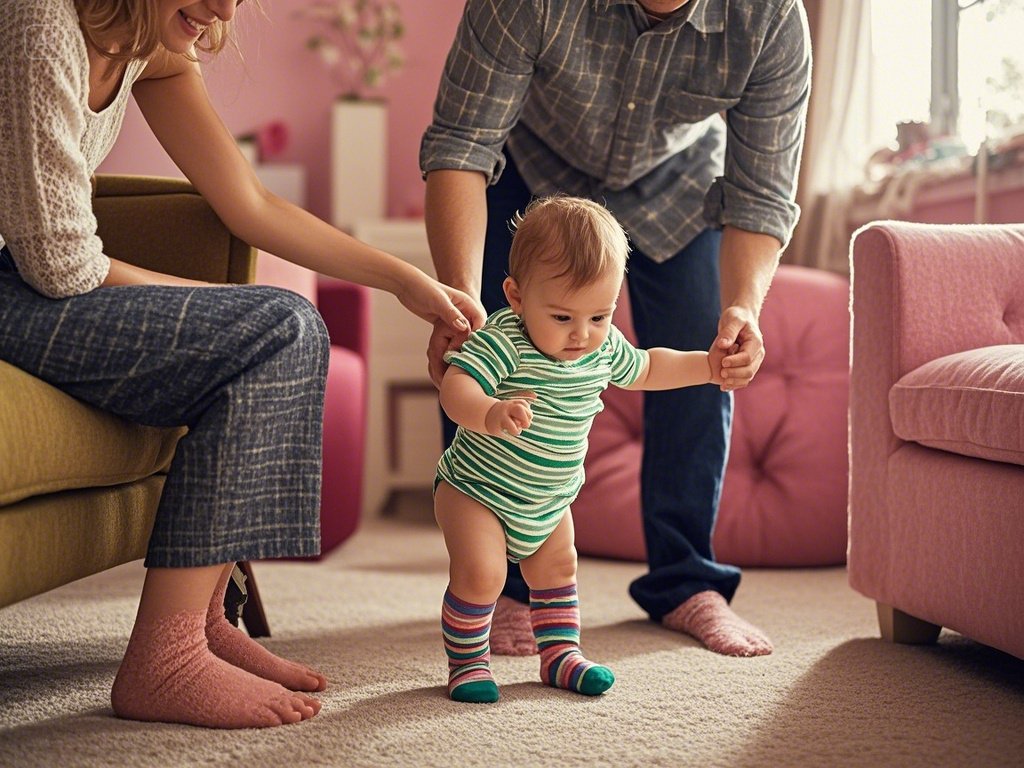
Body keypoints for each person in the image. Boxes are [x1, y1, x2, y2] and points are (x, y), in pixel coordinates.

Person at [0, 0, 476, 729]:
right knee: (274, 332)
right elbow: (60, 266)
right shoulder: (41, 23)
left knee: (273, 328)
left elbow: (249, 203)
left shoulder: (146, 41)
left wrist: (402, 279)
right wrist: (232, 315)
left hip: (28, 282)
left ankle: (206, 625)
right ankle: (164, 663)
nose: (224, 8)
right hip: (23, 286)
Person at [420, 0, 811, 658]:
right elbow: (461, 143)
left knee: (702, 357)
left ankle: (686, 581)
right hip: (530, 175)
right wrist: (459, 297)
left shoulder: (768, 18)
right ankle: (508, 586)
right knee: (478, 343)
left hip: (678, 188)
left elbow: (762, 192)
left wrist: (743, 306)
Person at [435, 196, 723, 703]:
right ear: (517, 297)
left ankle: (560, 656)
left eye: (600, 314)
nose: (582, 334)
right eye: (563, 316)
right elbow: (455, 388)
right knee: (482, 575)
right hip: (476, 490)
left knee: (559, 569)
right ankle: (467, 663)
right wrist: (489, 412)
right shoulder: (504, 339)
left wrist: (708, 367)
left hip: (549, 499)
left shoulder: (602, 345)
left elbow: (651, 368)